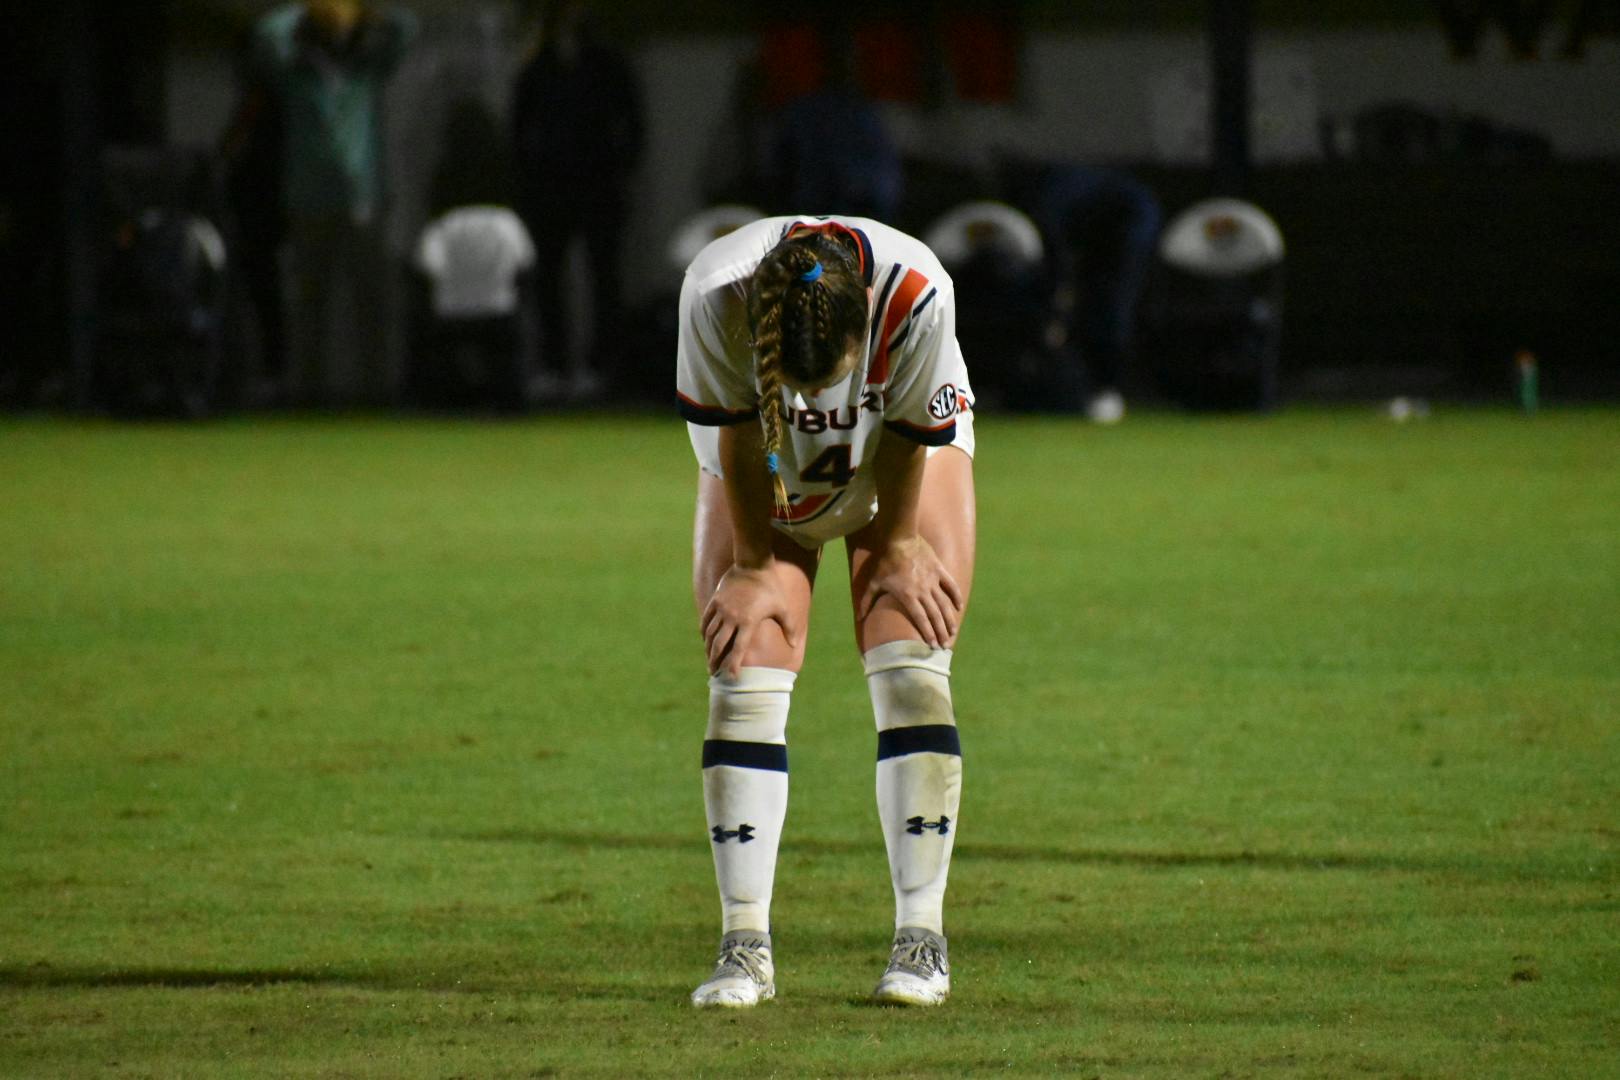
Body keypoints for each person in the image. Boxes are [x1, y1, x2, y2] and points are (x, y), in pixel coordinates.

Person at [678, 215, 977, 1009]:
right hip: (765, 464)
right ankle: (744, 945)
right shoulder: (716, 298)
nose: (821, 398)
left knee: (908, 638)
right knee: (744, 655)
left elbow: (913, 433)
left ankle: (923, 939)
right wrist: (750, 568)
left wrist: (902, 544)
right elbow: (736, 438)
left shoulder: (917, 292)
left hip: (890, 458)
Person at [247, 0, 417, 406]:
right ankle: (306, 394)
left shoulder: (366, 67)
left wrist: (365, 13)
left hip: (363, 200)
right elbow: (266, 34)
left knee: (371, 302)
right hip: (308, 199)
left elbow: (406, 28)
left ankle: (378, 393)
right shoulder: (295, 70)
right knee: (308, 304)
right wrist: (306, 10)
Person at [511, 0, 644, 401]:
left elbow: (633, 122)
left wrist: (620, 167)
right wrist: (531, 175)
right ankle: (554, 365)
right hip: (550, 188)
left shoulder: (607, 62)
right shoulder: (538, 66)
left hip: (599, 184)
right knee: (548, 278)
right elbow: (519, 128)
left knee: (604, 277)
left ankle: (601, 366)